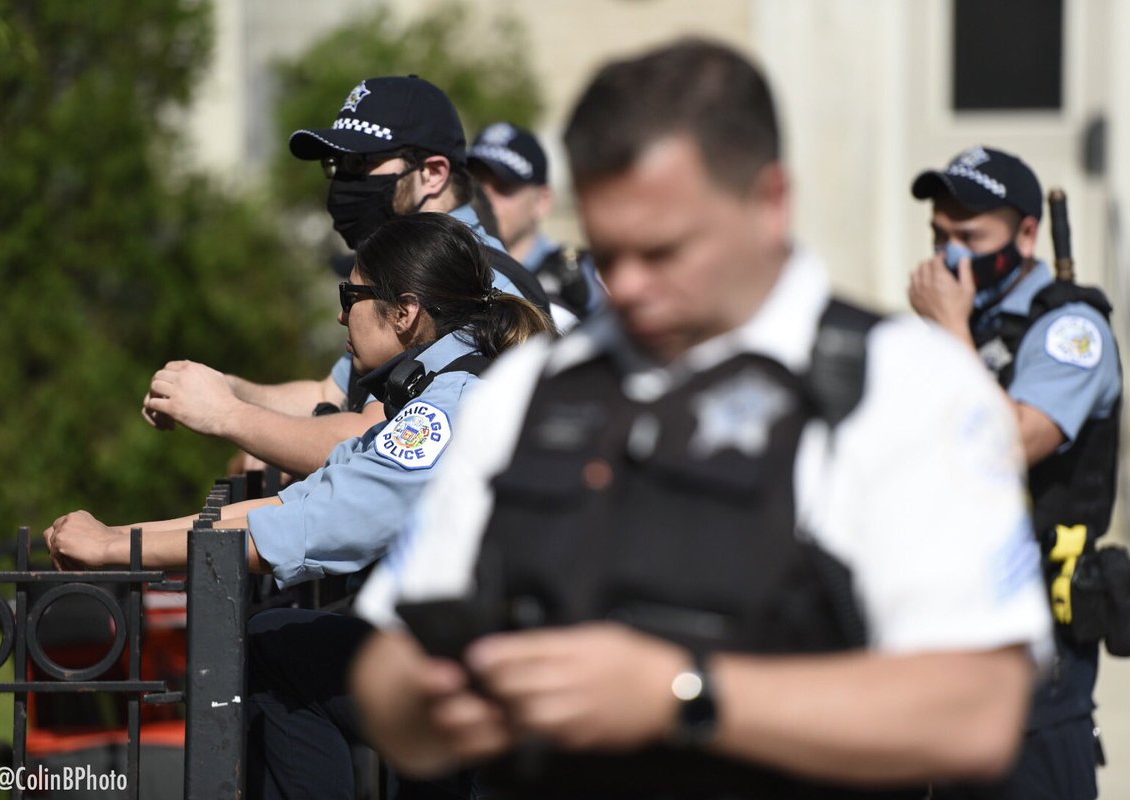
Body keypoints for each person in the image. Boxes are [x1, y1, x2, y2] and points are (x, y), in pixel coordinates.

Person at [346, 39, 1054, 799]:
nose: (629, 287)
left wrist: (681, 696)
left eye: (665, 251)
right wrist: (442, 705)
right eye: (610, 254)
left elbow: (978, 710)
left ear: (770, 200)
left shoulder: (905, 390)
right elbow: (388, 664)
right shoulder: (529, 392)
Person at [46, 212, 553, 587]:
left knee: (271, 659)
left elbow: (319, 523)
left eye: (350, 299)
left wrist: (114, 547)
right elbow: (305, 498)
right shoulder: (441, 384)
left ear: (404, 313)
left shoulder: (448, 404)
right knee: (277, 646)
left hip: (493, 675)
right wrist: (121, 540)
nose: (340, 317)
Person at [140, 76, 556, 480]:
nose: (343, 183)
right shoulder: (407, 268)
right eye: (336, 165)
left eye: (360, 164)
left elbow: (367, 442)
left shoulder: (471, 283)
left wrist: (225, 415)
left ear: (433, 173)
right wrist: (225, 388)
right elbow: (330, 397)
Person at [908, 146, 1123, 800]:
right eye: (939, 237)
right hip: (946, 628)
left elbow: (1010, 442)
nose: (949, 258)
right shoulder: (962, 324)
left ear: (1027, 235)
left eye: (970, 238)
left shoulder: (1069, 329)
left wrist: (948, 327)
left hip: (1035, 645)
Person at [468, 121, 607, 320]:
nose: (485, 199)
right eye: (476, 185)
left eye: (503, 187)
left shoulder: (581, 281)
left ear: (542, 201)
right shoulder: (451, 272)